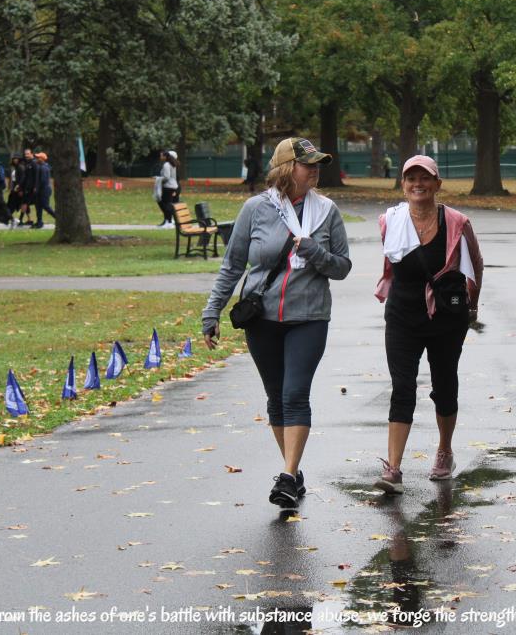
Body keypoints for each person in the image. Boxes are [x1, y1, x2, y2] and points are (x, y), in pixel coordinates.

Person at [201, 137, 351, 509]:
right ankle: (293, 473)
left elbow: (342, 267)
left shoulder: (327, 211)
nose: (315, 170)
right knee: (276, 398)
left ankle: (286, 476)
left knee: (295, 394)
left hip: (309, 317)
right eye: (307, 164)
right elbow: (233, 265)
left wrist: (315, 252)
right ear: (286, 169)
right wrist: (212, 312)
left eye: (317, 164)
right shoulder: (256, 209)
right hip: (262, 318)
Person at [372, 155, 484, 495]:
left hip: (446, 317)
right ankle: (393, 469)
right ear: (403, 184)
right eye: (411, 178)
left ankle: (445, 450)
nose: (417, 184)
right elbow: (390, 265)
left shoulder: (457, 222)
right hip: (402, 315)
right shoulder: (390, 221)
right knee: (402, 386)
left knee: (444, 385)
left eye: (425, 178)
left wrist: (472, 305)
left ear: (437, 184)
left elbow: (475, 263)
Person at [154, 150, 180, 226]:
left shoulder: (167, 165)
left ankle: (169, 221)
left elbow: (166, 177)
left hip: (168, 187)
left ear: (166, 156)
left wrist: (157, 178)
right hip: (173, 186)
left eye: (161, 155)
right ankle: (168, 220)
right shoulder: (173, 164)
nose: (160, 157)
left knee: (165, 203)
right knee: (167, 203)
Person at [32, 151, 56, 229]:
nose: (36, 159)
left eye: (38, 158)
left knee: (45, 206)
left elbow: (43, 180)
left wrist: (36, 188)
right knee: (38, 206)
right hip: (41, 190)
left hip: (44, 190)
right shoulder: (41, 167)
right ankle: (39, 222)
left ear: (42, 159)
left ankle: (58, 218)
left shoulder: (43, 168)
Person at [18, 149, 37, 226]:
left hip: (30, 188)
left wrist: (35, 186)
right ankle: (28, 220)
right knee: (25, 203)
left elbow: (36, 176)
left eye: (28, 154)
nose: (26, 155)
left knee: (24, 203)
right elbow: (25, 177)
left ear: (32, 154)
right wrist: (20, 186)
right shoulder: (27, 163)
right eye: (25, 154)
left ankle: (20, 220)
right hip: (26, 187)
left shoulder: (34, 163)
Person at [6, 155, 26, 219]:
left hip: (18, 188)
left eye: (16, 159)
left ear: (19, 160)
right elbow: (13, 179)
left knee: (14, 202)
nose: (15, 160)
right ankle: (8, 216)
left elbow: (22, 179)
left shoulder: (21, 167)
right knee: (12, 202)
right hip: (14, 187)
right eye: (14, 159)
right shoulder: (15, 167)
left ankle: (10, 217)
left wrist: (20, 188)